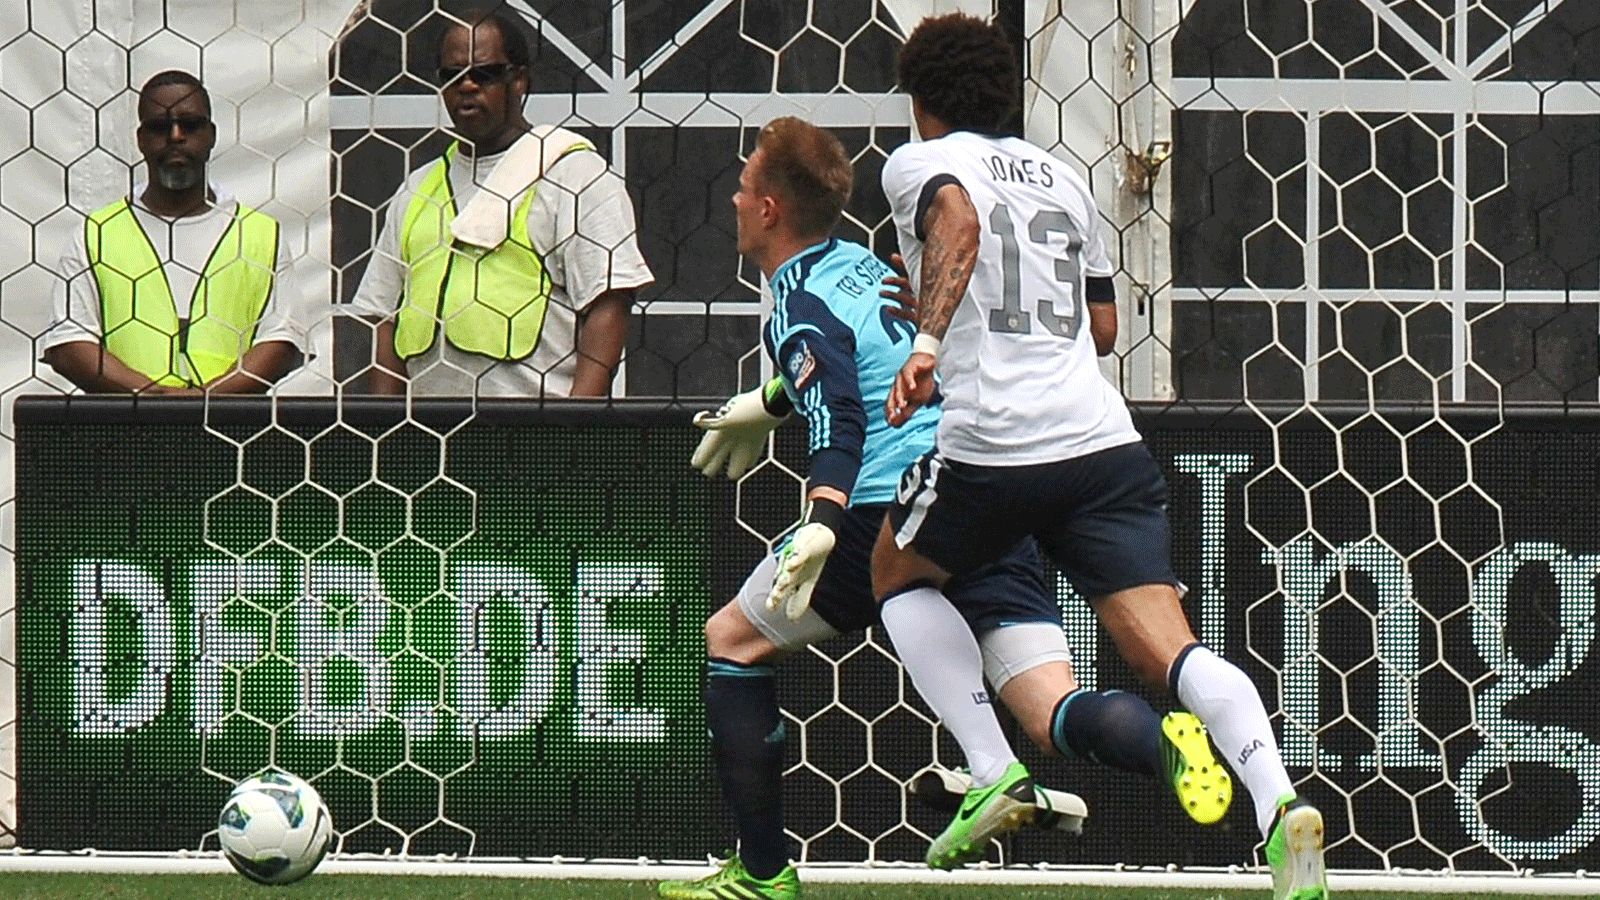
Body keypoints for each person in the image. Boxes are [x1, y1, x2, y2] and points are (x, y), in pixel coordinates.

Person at [659, 117, 1227, 900]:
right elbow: (855, 360)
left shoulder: (796, 298)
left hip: (885, 505)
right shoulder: (862, 266)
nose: (731, 194)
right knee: (1049, 707)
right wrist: (770, 397)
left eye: (744, 182)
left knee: (731, 640)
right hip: (975, 485)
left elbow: (843, 414)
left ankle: (762, 873)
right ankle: (1164, 740)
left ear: (767, 212)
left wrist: (824, 518)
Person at [848, 14, 1329, 900]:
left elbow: (955, 220)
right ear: (1008, 96)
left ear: (920, 102)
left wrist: (926, 338)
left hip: (994, 446)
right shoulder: (1063, 178)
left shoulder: (917, 165)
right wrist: (955, 297)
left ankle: (990, 766)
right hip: (1100, 444)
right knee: (1170, 653)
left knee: (897, 575)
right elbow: (1103, 327)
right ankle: (1277, 805)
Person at [349, 7, 651, 398]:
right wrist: (386, 428)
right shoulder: (417, 188)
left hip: (530, 430)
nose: (467, 86)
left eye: (485, 73)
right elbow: (384, 318)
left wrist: (576, 427)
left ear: (520, 80)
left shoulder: (574, 174)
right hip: (427, 432)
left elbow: (608, 302)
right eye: (452, 75)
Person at [42, 70, 304, 393]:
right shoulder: (95, 234)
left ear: (212, 135)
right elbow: (69, 344)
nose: (176, 136)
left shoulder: (262, 236)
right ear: (140, 140)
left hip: (231, 435)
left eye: (190, 124)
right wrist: (155, 398)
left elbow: (281, 341)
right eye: (159, 127)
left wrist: (204, 402)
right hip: (127, 434)